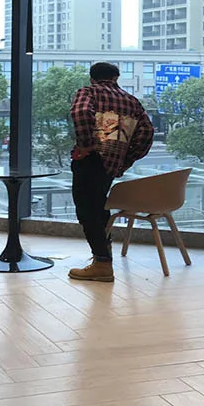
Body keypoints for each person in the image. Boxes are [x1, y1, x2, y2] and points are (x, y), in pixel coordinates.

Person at [68, 62, 154, 282]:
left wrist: (87, 145)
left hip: (90, 160)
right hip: (111, 164)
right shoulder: (131, 101)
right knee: (99, 208)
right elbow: (146, 133)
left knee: (87, 211)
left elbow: (80, 112)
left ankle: (102, 264)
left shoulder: (88, 92)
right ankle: (103, 257)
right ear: (116, 78)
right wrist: (126, 159)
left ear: (92, 78)